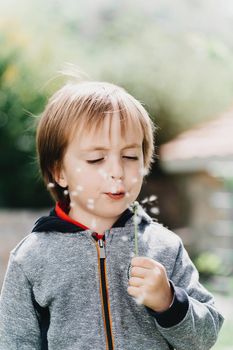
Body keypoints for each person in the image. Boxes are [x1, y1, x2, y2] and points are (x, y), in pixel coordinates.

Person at [0, 80, 223, 350]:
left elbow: (206, 336)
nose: (117, 170)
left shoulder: (164, 247)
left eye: (130, 156)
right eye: (96, 159)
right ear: (59, 172)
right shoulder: (32, 258)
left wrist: (169, 303)